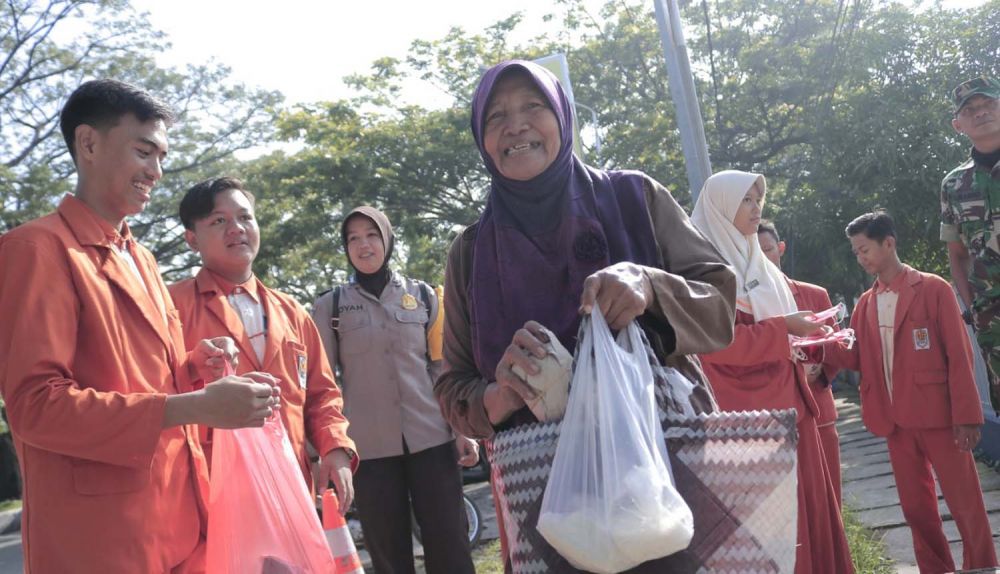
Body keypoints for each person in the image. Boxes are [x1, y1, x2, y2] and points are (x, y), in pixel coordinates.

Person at [433, 59, 737, 572]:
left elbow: (721, 307)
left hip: (662, 467)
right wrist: (500, 396)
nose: (516, 125)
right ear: (482, 140)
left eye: (533, 106)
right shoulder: (470, 252)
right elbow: (452, 388)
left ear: (563, 117)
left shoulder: (634, 198)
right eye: (496, 116)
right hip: (549, 500)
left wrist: (650, 286)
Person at [0, 80, 281, 573]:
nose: (156, 171)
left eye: (162, 156)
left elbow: (150, 378)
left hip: (180, 519)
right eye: (144, 151)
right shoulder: (35, 249)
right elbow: (34, 406)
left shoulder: (143, 258)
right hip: (102, 540)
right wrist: (194, 406)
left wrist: (197, 367)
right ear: (88, 143)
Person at [691, 170, 853, 574]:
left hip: (792, 409)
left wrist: (808, 337)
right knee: (769, 534)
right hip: (745, 422)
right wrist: (784, 330)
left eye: (757, 199)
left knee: (806, 520)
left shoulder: (762, 266)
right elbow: (715, 347)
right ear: (720, 208)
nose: (755, 208)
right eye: (744, 200)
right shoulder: (703, 274)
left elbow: (777, 333)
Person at [169, 176, 357, 511]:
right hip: (211, 498)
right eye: (219, 221)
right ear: (192, 239)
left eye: (245, 217)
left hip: (293, 488)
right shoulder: (170, 307)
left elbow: (321, 394)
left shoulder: (293, 312)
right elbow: (153, 392)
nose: (236, 228)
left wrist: (336, 449)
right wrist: (193, 365)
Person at [828, 210, 997, 573]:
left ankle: (982, 567)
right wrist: (820, 345)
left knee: (966, 503)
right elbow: (856, 356)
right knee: (915, 509)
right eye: (856, 252)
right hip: (895, 422)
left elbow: (960, 355)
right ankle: (935, 568)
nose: (861, 258)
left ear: (888, 243)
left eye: (864, 250)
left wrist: (967, 417)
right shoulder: (865, 303)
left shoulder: (933, 289)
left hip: (940, 417)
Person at [312, 206, 478, 574]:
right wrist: (327, 449)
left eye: (371, 235)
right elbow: (323, 382)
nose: (363, 245)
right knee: (388, 553)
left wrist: (460, 429)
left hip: (432, 439)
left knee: (451, 543)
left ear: (387, 240)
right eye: (353, 238)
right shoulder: (330, 307)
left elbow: (442, 368)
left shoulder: (425, 296)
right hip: (368, 453)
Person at [758, 219, 844, 505]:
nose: (763, 257)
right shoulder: (748, 303)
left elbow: (838, 346)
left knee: (830, 496)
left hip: (818, 405)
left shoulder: (813, 294)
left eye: (768, 249)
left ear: (780, 248)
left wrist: (819, 368)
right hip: (775, 411)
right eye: (754, 251)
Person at [940, 76, 1000, 409]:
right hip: (992, 317)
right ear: (958, 124)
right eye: (970, 109)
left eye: (989, 103)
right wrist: (972, 309)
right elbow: (957, 253)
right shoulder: (954, 184)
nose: (981, 113)